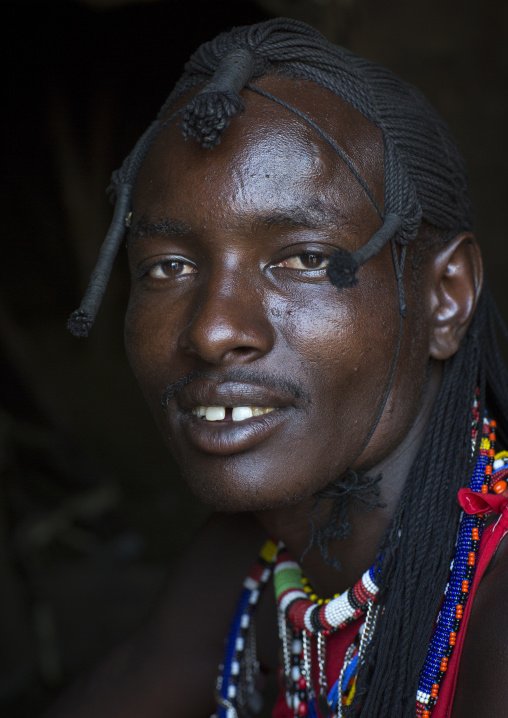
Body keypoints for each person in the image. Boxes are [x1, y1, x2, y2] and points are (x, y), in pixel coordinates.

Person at [46, 17, 508, 718]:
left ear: (445, 299)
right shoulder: (246, 566)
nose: (212, 330)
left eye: (304, 259)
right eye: (168, 266)